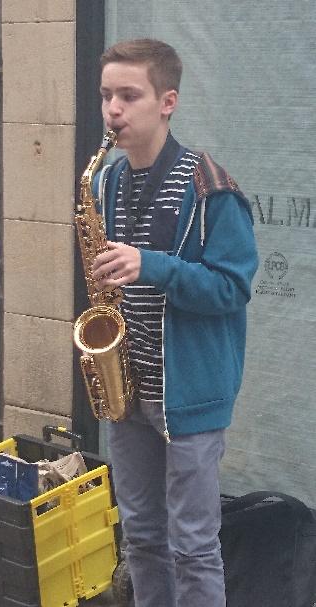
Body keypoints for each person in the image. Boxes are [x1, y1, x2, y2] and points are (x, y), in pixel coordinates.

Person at [92, 38, 258, 607]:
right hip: (128, 391)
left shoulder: (211, 186)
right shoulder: (106, 182)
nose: (114, 109)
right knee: (140, 537)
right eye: (107, 95)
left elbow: (232, 289)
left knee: (191, 544)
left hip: (188, 395)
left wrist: (153, 266)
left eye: (129, 95)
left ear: (168, 101)